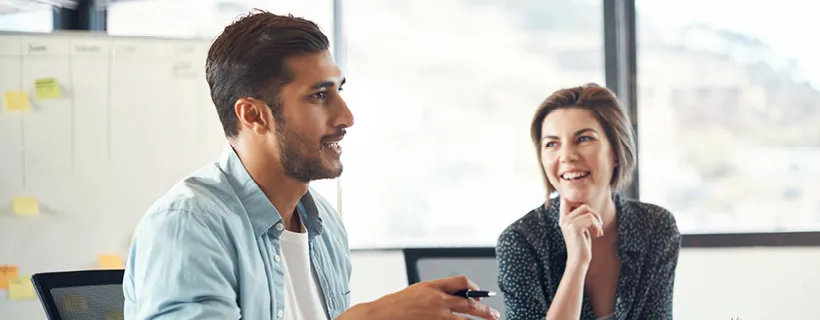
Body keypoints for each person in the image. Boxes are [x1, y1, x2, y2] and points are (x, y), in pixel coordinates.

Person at [122, 10, 499, 320]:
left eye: (339, 90)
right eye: (319, 96)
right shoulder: (188, 225)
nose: (346, 116)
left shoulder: (324, 226)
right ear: (254, 115)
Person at [495, 84, 681, 320]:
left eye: (583, 139)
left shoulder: (655, 227)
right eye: (552, 144)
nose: (567, 156)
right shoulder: (520, 242)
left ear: (615, 151)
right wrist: (576, 264)